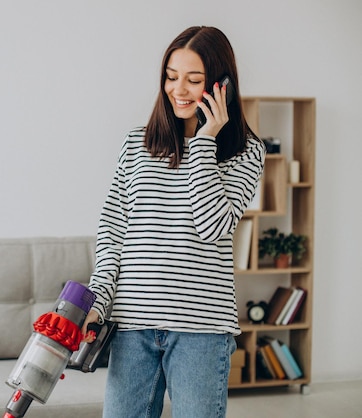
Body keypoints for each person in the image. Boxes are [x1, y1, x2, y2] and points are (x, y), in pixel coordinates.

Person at [82, 26, 265, 418]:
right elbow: (112, 234)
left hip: (201, 332)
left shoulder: (247, 152)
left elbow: (214, 226)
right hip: (132, 327)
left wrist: (203, 140)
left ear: (221, 86)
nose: (178, 89)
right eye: (171, 76)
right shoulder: (136, 145)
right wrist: (98, 303)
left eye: (193, 80)